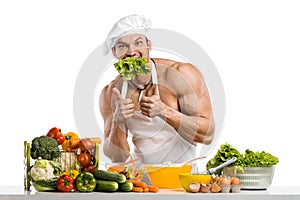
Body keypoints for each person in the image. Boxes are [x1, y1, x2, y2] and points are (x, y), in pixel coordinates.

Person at [99, 14, 215, 167]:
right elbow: (117, 157)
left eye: (138, 43)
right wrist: (118, 121)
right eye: (122, 46)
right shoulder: (110, 93)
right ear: (115, 53)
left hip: (183, 179)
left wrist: (164, 111)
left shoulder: (183, 74)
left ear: (149, 46)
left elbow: (208, 135)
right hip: (142, 183)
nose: (131, 51)